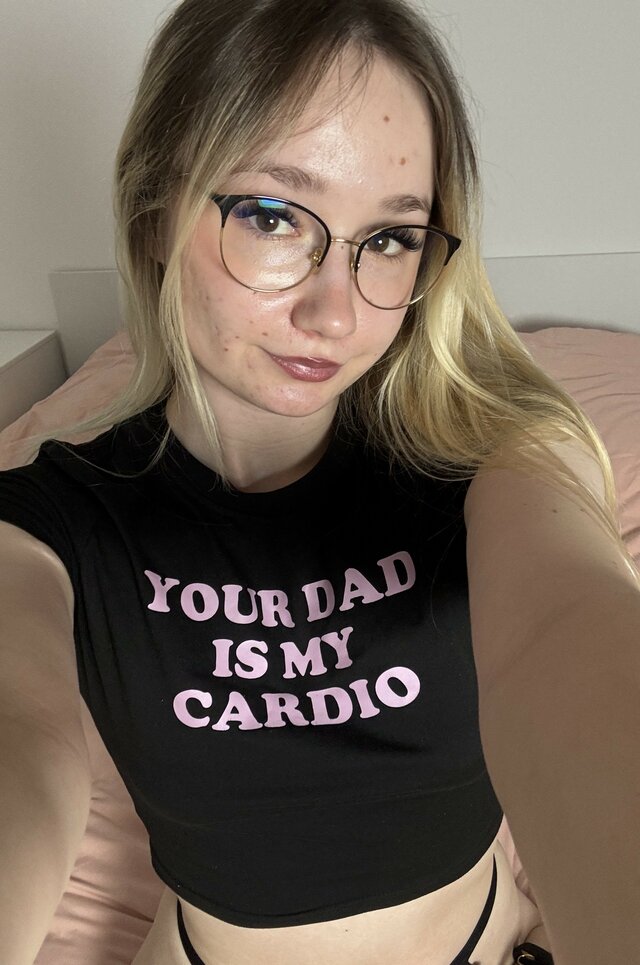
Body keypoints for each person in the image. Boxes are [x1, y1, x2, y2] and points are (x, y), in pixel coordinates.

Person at [1, 0, 639, 963]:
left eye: (390, 239)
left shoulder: (494, 463)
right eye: (271, 217)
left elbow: (573, 632)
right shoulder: (51, 522)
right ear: (156, 214)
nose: (336, 315)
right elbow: (18, 734)